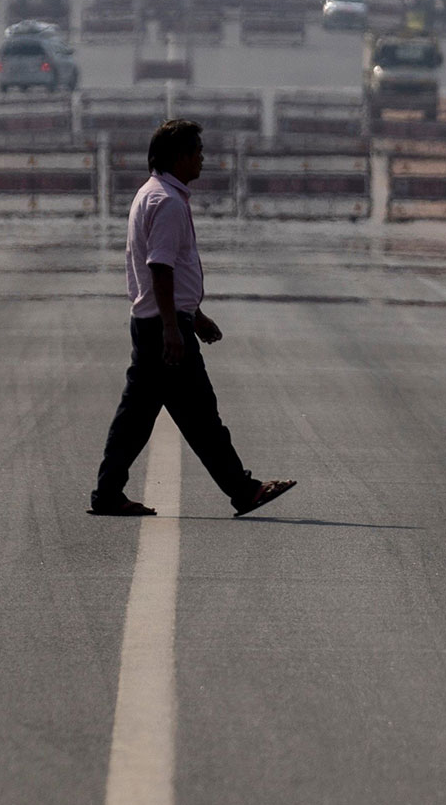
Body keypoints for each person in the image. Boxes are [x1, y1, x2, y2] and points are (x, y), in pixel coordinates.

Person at [90, 118, 295, 520]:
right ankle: (244, 490)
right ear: (179, 156)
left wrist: (194, 314)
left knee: (140, 418)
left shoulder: (155, 194)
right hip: (161, 327)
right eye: (197, 151)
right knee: (199, 415)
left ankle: (108, 492)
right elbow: (160, 268)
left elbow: (167, 270)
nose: (203, 158)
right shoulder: (165, 202)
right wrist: (173, 327)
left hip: (156, 321)